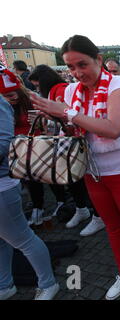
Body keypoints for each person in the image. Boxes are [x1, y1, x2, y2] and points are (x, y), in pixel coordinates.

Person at [30, 35, 120, 300]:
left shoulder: (117, 83)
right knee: (112, 227)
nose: (77, 73)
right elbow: (77, 129)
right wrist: (55, 119)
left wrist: (67, 113)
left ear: (98, 60)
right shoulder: (72, 91)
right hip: (92, 171)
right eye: (71, 67)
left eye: (82, 64)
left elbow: (113, 128)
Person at [28, 65, 106, 236]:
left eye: (38, 85)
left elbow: (70, 116)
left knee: (82, 180)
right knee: (74, 180)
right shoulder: (57, 90)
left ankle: (96, 214)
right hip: (67, 141)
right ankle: (83, 209)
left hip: (73, 141)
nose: (37, 89)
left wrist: (49, 114)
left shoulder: (61, 89)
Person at [0, 92, 59, 300]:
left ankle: (48, 283)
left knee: (23, 239)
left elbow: (3, 144)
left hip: (4, 184)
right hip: (9, 178)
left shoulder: (2, 104)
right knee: (3, 240)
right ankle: (4, 285)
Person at [0, 67, 66, 226]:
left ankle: (61, 202)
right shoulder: (4, 107)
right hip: (19, 148)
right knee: (31, 180)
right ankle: (38, 207)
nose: (12, 98)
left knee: (48, 176)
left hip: (38, 144)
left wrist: (42, 119)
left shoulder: (32, 99)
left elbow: (54, 123)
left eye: (13, 93)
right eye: (6, 96)